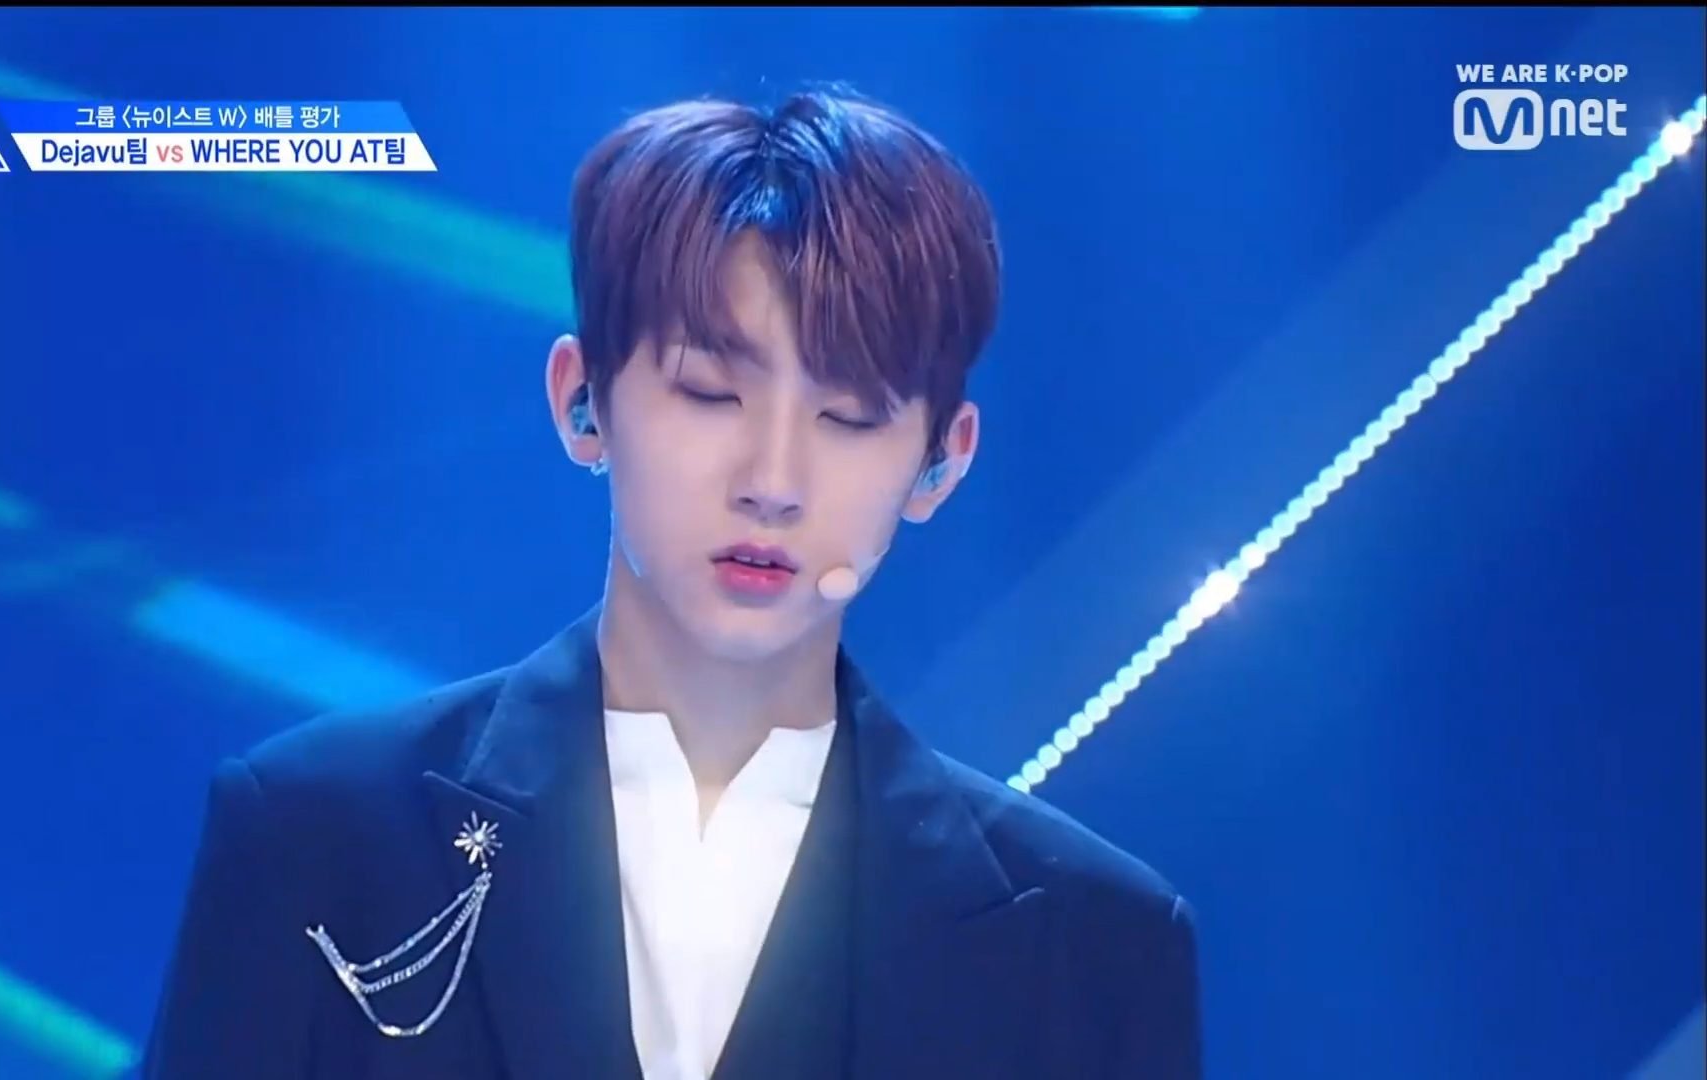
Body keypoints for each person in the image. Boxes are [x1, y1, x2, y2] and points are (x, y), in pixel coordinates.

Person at [139, 86, 1202, 1080]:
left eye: (849, 418)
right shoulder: (318, 830)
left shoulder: (1094, 942)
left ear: (942, 460)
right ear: (582, 401)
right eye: (708, 393)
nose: (773, 482)